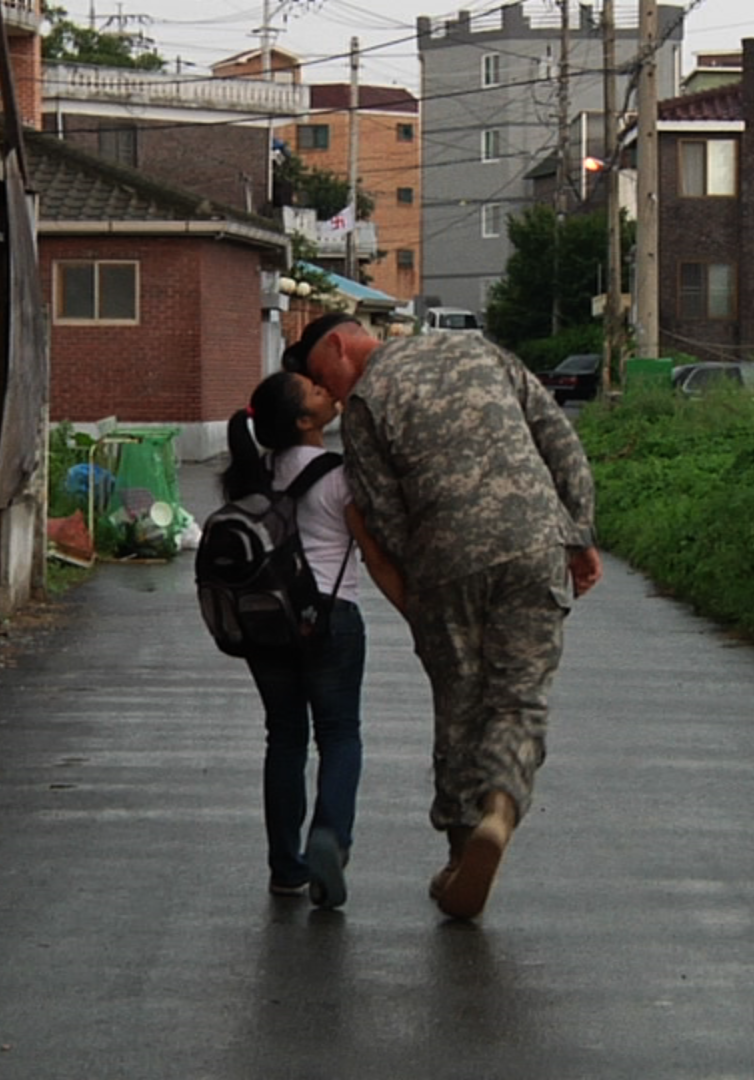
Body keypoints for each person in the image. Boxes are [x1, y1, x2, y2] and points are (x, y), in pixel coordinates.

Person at [282, 313, 602, 920]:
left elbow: (382, 511)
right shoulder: (479, 350)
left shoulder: (368, 402)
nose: (326, 390)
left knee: (459, 703)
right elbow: (557, 438)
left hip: (446, 558)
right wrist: (580, 532)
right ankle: (500, 811)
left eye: (320, 372)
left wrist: (417, 594)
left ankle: (461, 854)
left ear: (339, 344)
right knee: (519, 697)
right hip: (534, 540)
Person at [221, 370, 404, 909]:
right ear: (306, 421)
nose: (327, 390)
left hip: (265, 622)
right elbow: (373, 553)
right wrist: (415, 615)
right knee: (340, 733)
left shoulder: (254, 474)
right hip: (329, 616)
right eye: (316, 391)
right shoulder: (340, 476)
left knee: (284, 737)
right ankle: (329, 835)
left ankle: (285, 867)